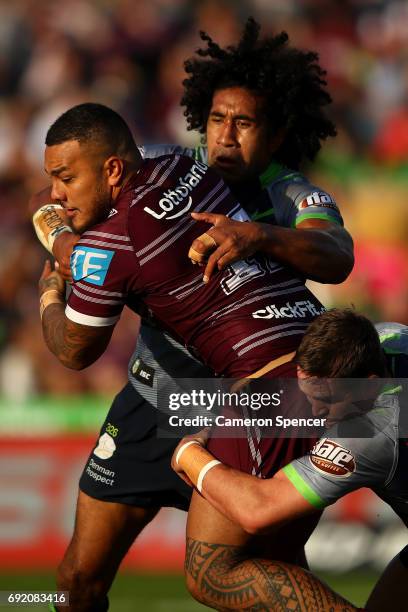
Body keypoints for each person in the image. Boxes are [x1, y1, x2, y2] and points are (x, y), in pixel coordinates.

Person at [33, 19, 354, 611]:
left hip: (251, 390)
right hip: (155, 395)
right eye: (215, 120)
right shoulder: (175, 166)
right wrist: (63, 240)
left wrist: (257, 236)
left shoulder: (289, 195)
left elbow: (337, 254)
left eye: (245, 123)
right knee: (76, 579)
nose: (225, 138)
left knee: (246, 572)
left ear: (277, 133)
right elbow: (87, 208)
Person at [172, 309, 408, 611]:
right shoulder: (392, 338)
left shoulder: (370, 434)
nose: (316, 411)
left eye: (328, 400)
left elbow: (259, 510)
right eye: (309, 393)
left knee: (210, 574)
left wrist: (189, 455)